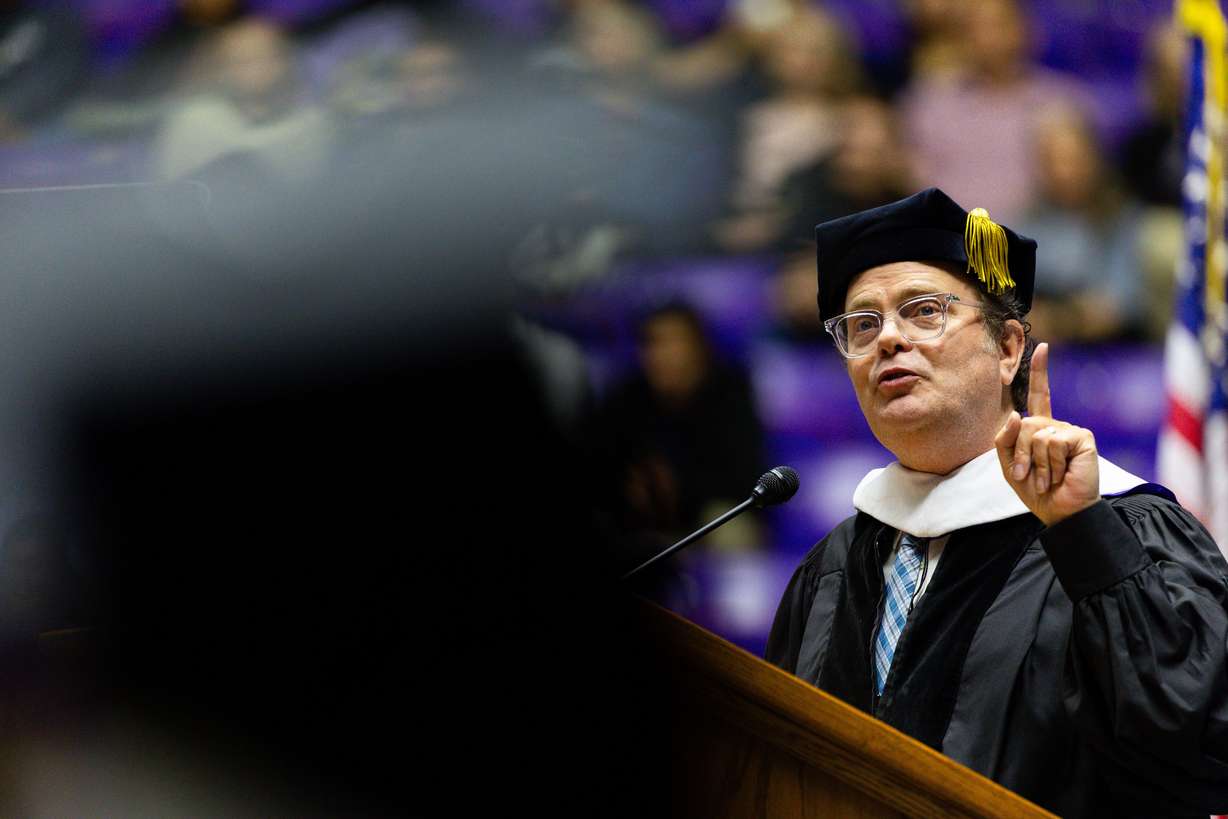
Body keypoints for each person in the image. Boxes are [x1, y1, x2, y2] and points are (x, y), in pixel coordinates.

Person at [765, 187, 1228, 818]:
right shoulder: (834, 568)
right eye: (862, 325)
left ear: (1008, 348)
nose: (888, 340)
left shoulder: (1122, 530)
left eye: (922, 310)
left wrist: (1084, 535)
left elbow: (1200, 745)